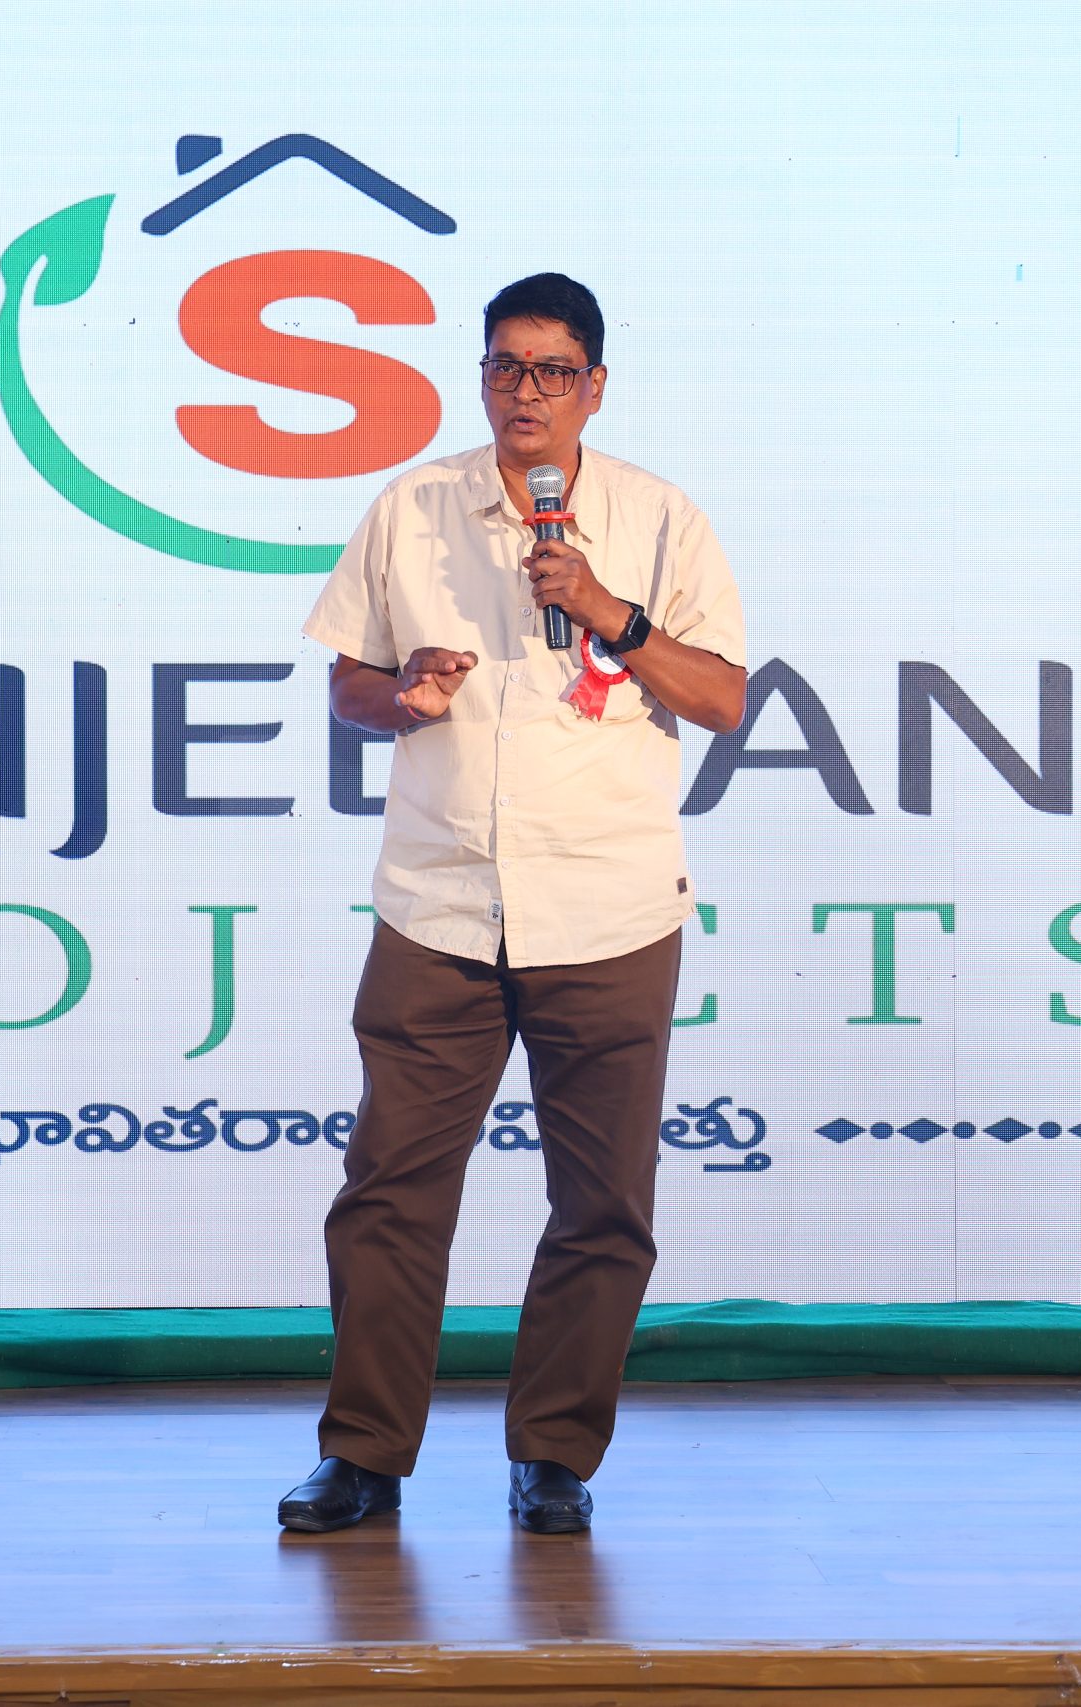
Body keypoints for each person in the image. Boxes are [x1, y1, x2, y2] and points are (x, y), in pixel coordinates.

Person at [280, 273, 748, 1535]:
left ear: (594, 387)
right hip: (438, 906)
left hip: (608, 910)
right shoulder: (411, 507)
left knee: (603, 1206)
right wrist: (401, 697)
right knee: (388, 1191)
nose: (524, 390)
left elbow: (720, 699)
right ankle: (362, 1455)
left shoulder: (659, 518)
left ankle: (554, 1455)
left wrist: (606, 611)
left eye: (551, 370)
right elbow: (348, 687)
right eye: (503, 366)